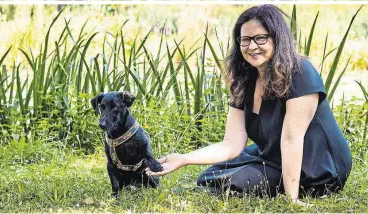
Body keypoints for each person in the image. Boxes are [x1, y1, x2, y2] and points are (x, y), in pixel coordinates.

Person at [146, 4, 352, 205]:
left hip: (317, 167)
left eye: (261, 38)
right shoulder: (246, 79)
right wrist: (184, 158)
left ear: (277, 38)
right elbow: (231, 145)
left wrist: (292, 199)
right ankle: (226, 184)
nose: (252, 46)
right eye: (245, 40)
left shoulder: (301, 73)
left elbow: (292, 139)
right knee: (210, 175)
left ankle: (287, 187)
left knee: (236, 181)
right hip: (274, 156)